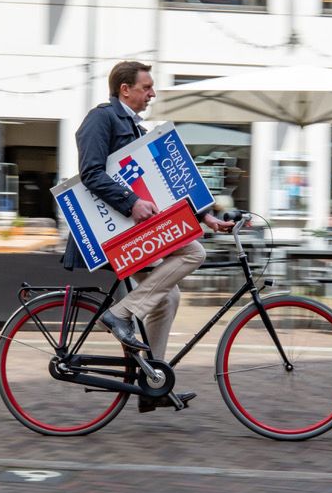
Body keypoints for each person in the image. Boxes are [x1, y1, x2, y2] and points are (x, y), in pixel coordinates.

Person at [62, 61, 234, 411]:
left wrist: (206, 216)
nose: (152, 93)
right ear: (125, 89)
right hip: (109, 231)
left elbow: (161, 185)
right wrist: (132, 203)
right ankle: (120, 313)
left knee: (168, 298)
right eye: (147, 87)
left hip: (131, 227)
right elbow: (90, 173)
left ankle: (151, 382)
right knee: (193, 252)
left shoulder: (136, 128)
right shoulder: (102, 119)